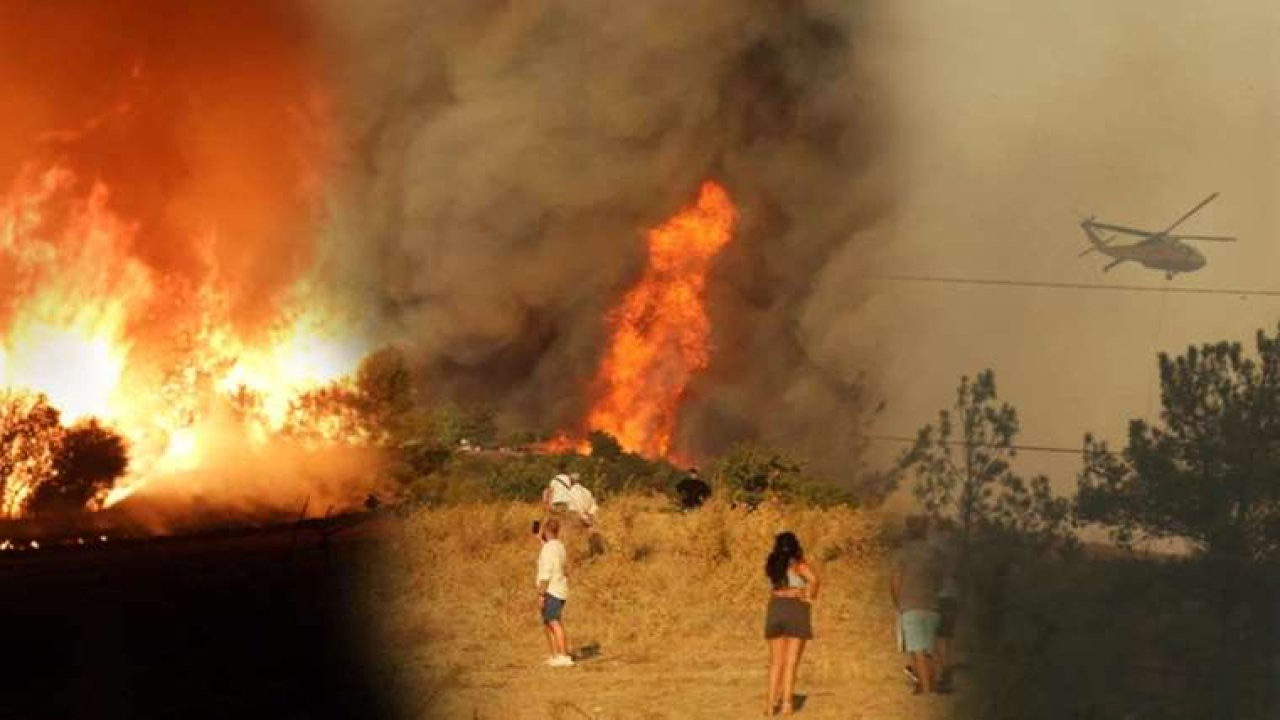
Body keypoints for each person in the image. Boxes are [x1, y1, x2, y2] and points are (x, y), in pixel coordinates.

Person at [764, 531, 820, 716]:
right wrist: (808, 595)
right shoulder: (798, 564)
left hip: (775, 609)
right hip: (795, 610)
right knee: (791, 661)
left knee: (775, 662)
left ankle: (770, 704)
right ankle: (787, 703)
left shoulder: (773, 565)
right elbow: (814, 579)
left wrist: (784, 593)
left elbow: (775, 589)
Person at [891, 515, 945, 695]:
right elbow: (940, 579)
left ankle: (926, 688)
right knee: (930, 649)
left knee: (916, 649)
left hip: (910, 604)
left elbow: (896, 579)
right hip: (931, 604)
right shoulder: (935, 552)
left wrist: (897, 602)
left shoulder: (903, 552)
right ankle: (934, 684)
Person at [536, 518, 574, 667]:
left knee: (553, 621)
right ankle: (556, 655)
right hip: (560, 588)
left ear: (545, 530)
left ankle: (563, 655)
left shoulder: (547, 549)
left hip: (551, 589)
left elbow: (546, 572)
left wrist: (541, 594)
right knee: (548, 622)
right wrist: (541, 540)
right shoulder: (559, 546)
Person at [930, 519, 960, 692]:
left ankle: (941, 672)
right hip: (952, 596)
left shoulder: (934, 545)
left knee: (933, 638)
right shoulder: (957, 548)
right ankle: (946, 669)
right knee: (947, 638)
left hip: (936, 596)